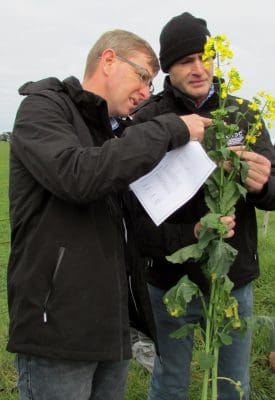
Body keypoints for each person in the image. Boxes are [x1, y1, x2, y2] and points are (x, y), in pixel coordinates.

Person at [7, 29, 215, 400]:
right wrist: (170, 128)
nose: (146, 92)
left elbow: (133, 230)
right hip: (58, 330)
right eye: (143, 77)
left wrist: (194, 232)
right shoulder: (44, 107)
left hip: (112, 328)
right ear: (108, 61)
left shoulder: (116, 135)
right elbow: (77, 175)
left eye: (152, 83)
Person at [133, 12, 275, 400]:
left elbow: (274, 191)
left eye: (205, 56)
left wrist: (262, 187)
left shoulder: (243, 115)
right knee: (171, 380)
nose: (199, 69)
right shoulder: (149, 119)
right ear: (167, 68)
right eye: (185, 61)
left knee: (233, 381)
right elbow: (134, 212)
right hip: (170, 279)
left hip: (232, 279)